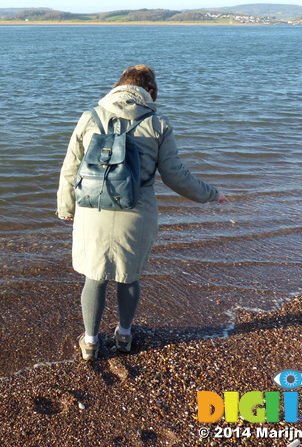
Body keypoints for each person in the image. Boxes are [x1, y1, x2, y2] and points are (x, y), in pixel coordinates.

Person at [57, 65, 228, 361]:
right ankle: (124, 335)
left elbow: (71, 168)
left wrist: (66, 206)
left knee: (94, 277)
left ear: (117, 86)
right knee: (128, 276)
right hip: (137, 210)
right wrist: (211, 194)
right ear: (149, 92)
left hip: (92, 207)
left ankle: (90, 342)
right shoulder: (157, 123)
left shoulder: (90, 117)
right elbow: (176, 176)